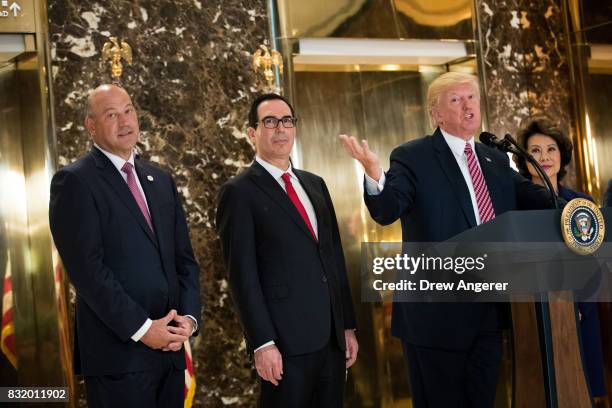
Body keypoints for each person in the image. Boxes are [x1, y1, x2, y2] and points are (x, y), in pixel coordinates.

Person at [340, 72, 555, 407]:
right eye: (455, 100)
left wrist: (582, 210)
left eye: (472, 98)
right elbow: (387, 208)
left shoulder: (496, 158)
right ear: (436, 113)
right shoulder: (413, 156)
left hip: (488, 311)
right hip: (435, 317)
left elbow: (536, 199)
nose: (467, 106)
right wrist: (374, 175)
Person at [49, 84, 201, 407]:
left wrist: (188, 319)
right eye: (111, 115)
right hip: (119, 359)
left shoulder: (160, 180)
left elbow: (184, 260)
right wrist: (145, 329)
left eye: (129, 110)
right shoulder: (75, 182)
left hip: (172, 354)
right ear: (91, 126)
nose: (125, 121)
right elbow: (89, 272)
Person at [216, 93, 358, 407]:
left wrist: (346, 325)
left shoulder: (315, 184)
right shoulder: (238, 192)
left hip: (331, 341)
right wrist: (262, 343)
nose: (280, 129)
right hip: (284, 345)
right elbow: (242, 276)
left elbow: (333, 259)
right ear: (252, 132)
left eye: (287, 121)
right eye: (269, 122)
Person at [515, 118, 607, 399]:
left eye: (551, 149)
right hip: (534, 312)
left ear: (561, 155)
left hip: (581, 306)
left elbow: (595, 260)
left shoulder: (581, 202)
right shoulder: (514, 206)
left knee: (582, 389)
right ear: (524, 158)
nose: (544, 157)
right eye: (536, 150)